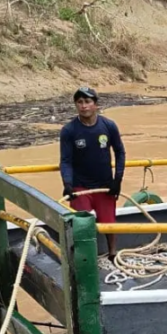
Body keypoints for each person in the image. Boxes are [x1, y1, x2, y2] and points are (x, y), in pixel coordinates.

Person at [59, 86, 126, 258]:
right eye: (79, 102)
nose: (84, 106)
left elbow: (120, 152)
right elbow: (65, 161)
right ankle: (84, 258)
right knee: (81, 225)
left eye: (88, 101)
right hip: (80, 186)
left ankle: (112, 254)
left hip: (105, 185)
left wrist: (117, 180)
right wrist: (67, 184)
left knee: (109, 223)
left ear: (96, 104)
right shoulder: (69, 130)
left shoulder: (109, 126)